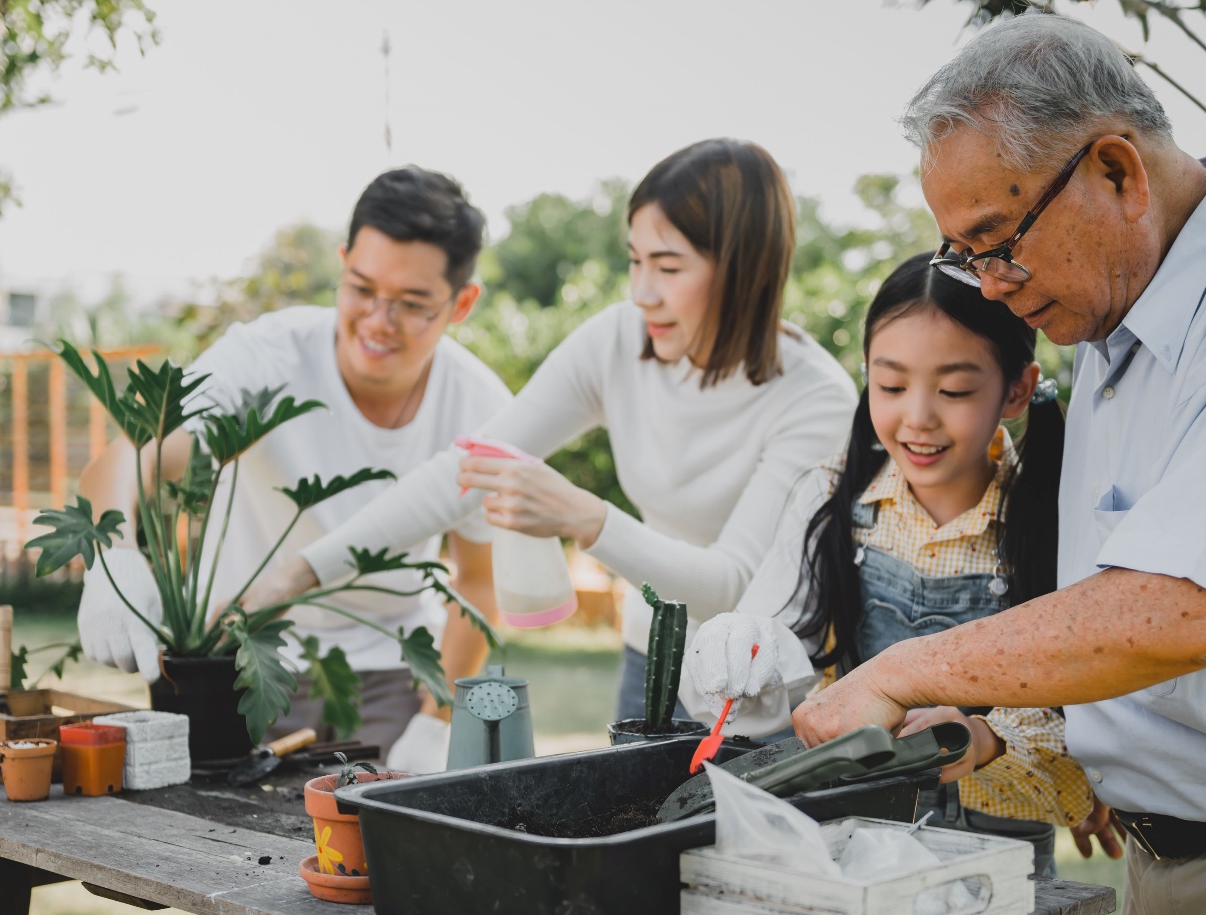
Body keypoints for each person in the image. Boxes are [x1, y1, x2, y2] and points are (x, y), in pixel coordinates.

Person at [790, 14, 1206, 915]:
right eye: (961, 253)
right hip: (1161, 875)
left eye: (997, 245)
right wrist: (996, 727)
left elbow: (1183, 606)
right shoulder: (1116, 303)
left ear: (1115, 170)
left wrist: (907, 665)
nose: (989, 285)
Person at [237, 139, 859, 747]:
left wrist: (585, 519)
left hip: (766, 699)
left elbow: (731, 587)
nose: (642, 291)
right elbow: (460, 472)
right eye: (635, 260)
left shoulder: (815, 400)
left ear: (745, 267)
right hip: (652, 660)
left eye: (668, 268)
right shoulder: (619, 340)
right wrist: (298, 574)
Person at [74, 166, 510, 771]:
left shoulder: (481, 407)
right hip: (241, 659)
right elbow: (134, 454)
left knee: (372, 857)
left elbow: (479, 583)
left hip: (393, 674)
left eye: (412, 304)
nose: (378, 321)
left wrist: (435, 722)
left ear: (461, 303)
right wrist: (112, 554)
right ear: (342, 262)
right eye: (361, 288)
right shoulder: (264, 355)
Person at [681, 252, 1090, 877]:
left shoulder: (1058, 515)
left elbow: (1090, 714)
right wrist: (744, 645)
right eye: (892, 386)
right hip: (857, 825)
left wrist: (984, 739)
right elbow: (772, 649)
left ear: (1018, 388)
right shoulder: (832, 497)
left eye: (953, 390)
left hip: (1001, 850)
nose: (918, 417)